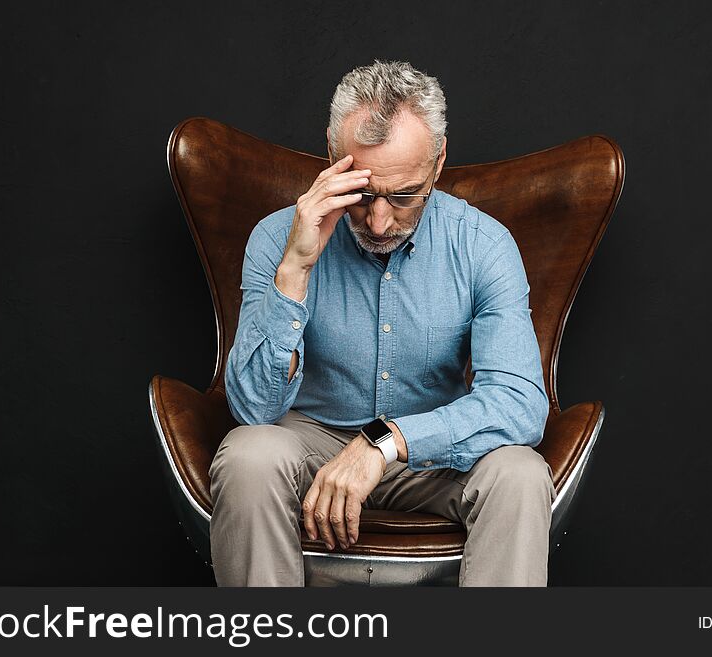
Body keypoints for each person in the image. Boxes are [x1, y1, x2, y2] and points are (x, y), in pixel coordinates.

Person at [209, 59, 555, 586]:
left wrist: (385, 442)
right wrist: (296, 268)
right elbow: (253, 408)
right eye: (363, 192)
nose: (378, 221)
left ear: (439, 163)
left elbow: (519, 403)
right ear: (332, 157)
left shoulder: (484, 247)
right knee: (249, 457)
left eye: (403, 195)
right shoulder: (276, 239)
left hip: (430, 452)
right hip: (311, 442)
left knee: (520, 474)